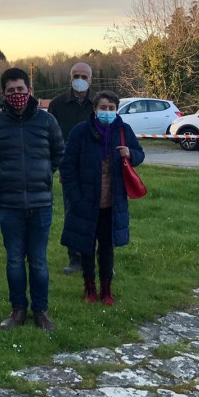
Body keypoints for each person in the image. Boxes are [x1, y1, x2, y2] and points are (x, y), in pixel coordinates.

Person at [0, 67, 65, 332]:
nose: (17, 95)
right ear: (3, 93)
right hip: (8, 203)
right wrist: (1, 174)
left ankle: (41, 311)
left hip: (41, 203)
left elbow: (59, 152)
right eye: (11, 91)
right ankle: (18, 311)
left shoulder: (47, 121)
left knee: (38, 260)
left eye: (21, 90)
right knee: (14, 259)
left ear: (30, 91)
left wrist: (45, 173)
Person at [59, 90, 145, 307]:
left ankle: (106, 290)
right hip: (86, 201)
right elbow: (67, 167)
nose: (107, 111)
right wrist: (75, 198)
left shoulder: (124, 130)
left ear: (117, 110)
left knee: (107, 248)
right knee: (86, 247)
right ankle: (89, 288)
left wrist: (130, 154)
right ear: (95, 109)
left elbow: (140, 154)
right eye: (103, 108)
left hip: (112, 202)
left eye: (111, 108)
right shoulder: (80, 132)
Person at [47, 62, 95, 275]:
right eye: (76, 75)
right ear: (70, 78)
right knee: (72, 213)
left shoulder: (99, 104)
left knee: (97, 215)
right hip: (69, 170)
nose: (80, 79)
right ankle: (74, 259)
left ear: (91, 80)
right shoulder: (57, 104)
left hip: (96, 169)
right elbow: (50, 137)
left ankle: (94, 259)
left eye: (84, 76)